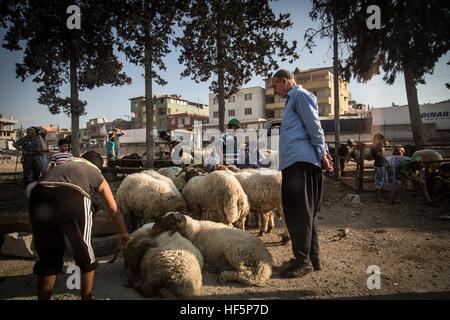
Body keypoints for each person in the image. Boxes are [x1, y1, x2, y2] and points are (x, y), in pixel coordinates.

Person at [28, 151, 130, 300]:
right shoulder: (94, 172)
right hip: (72, 195)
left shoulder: (63, 166)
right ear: (98, 166)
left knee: (48, 257)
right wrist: (123, 233)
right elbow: (114, 211)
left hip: (38, 195)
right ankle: (86, 297)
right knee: (84, 252)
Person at [270, 69, 333, 278]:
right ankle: (311, 259)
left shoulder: (299, 95)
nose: (273, 90)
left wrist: (322, 154)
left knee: (298, 213)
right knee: (306, 213)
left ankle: (302, 261)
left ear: (285, 81)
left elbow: (315, 127)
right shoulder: (293, 100)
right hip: (299, 162)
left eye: (274, 85)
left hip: (300, 163)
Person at [370, 133, 387, 201]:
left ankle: (379, 196)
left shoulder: (374, 146)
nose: (382, 142)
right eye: (381, 140)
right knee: (379, 181)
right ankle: (378, 197)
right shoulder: (376, 147)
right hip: (379, 165)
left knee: (381, 181)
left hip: (379, 164)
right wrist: (382, 147)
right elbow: (381, 155)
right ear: (378, 140)